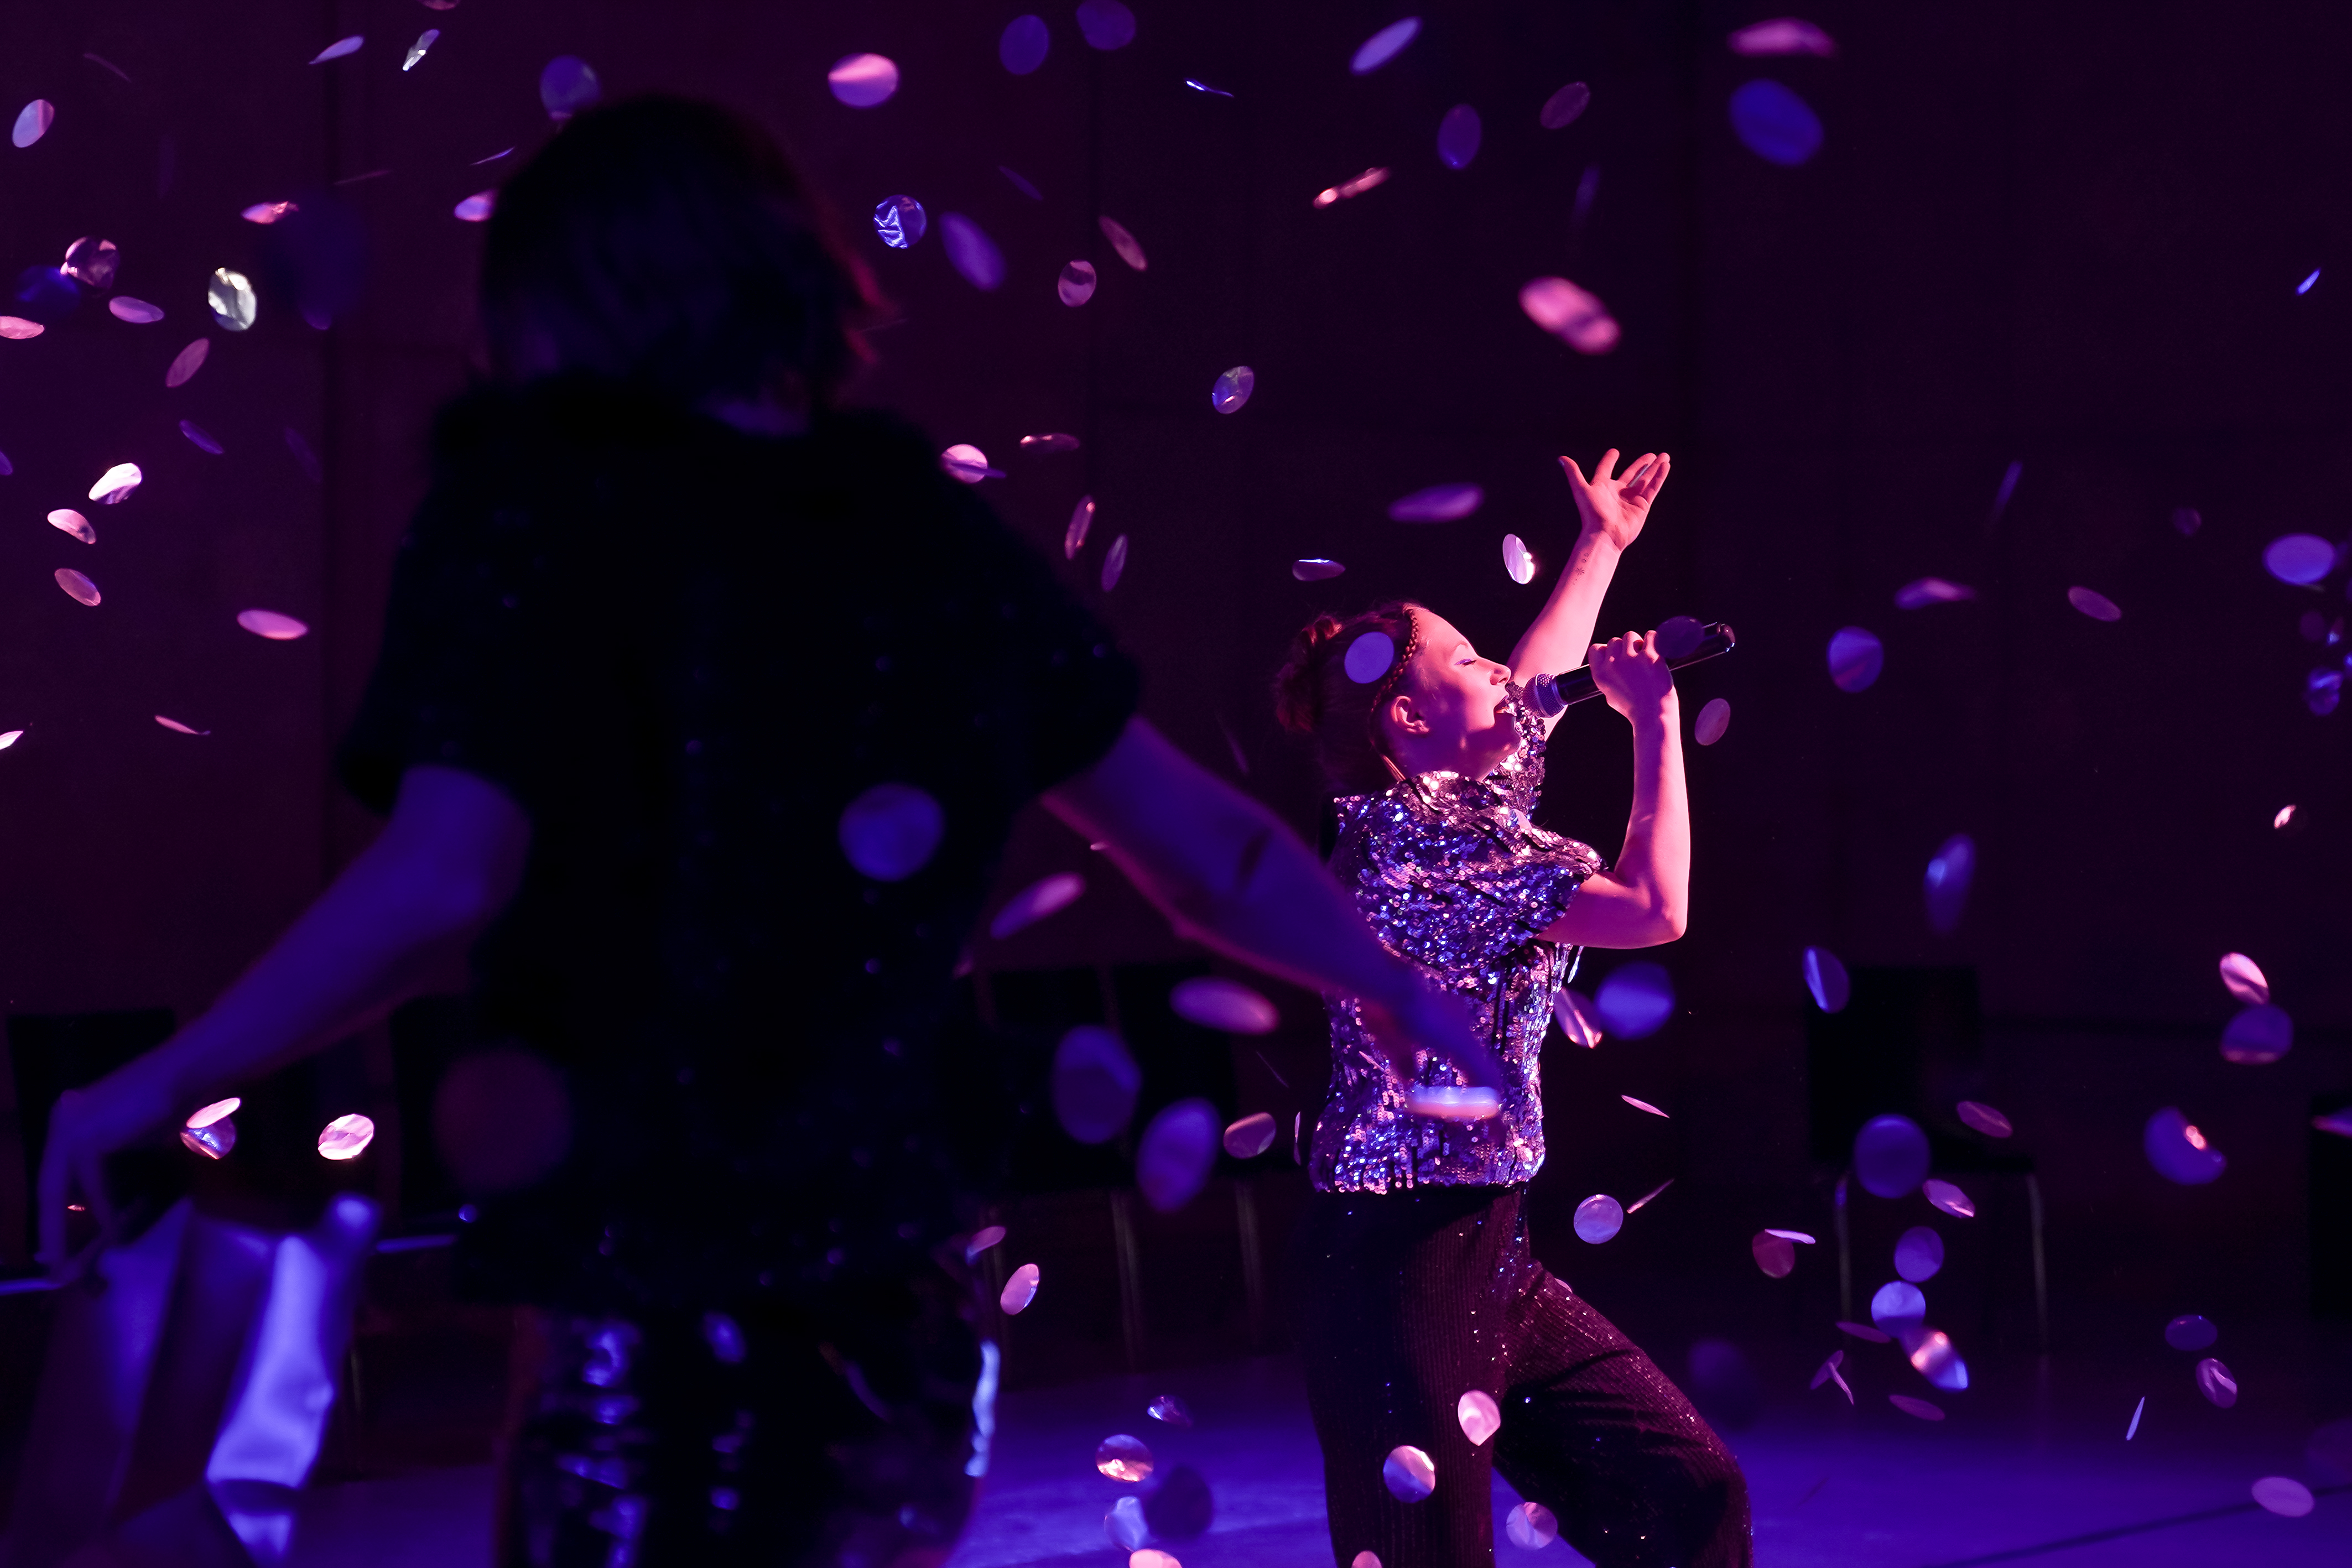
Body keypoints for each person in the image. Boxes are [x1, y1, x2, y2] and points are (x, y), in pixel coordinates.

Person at [35, 97, 1502, 1568]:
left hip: (658, 1306)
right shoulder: (929, 539)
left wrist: (158, 1082)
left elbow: (445, 877)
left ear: (567, 296)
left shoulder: (538, 513)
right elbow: (1210, 853)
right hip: (906, 1321)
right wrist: (1395, 986)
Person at [1276, 450, 1752, 1567]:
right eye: (1468, 658)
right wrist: (1653, 721)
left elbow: (1532, 683)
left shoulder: (1449, 796)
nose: (1502, 671)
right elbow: (1653, 909)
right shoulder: (1419, 847)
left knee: (1687, 1492)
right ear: (1407, 717)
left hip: (1489, 1248)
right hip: (1395, 1271)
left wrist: (1600, 547)